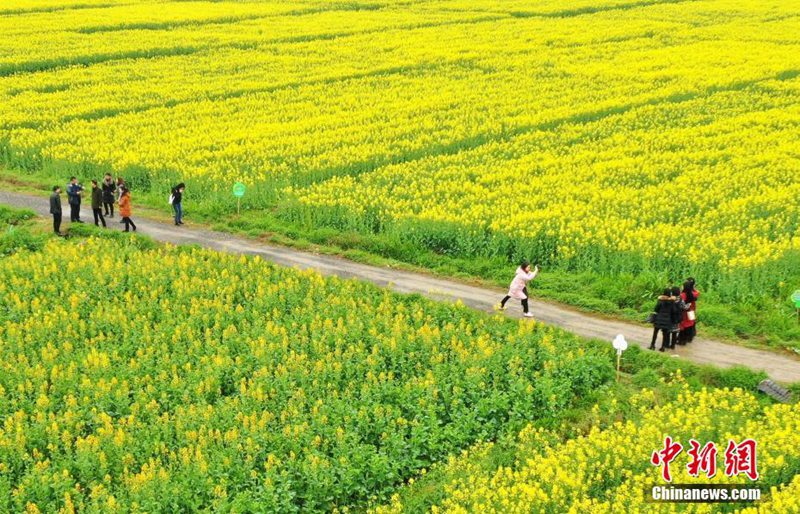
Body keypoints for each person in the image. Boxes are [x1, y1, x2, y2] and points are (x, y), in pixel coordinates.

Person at [679, 279, 700, 344]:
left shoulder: (682, 295)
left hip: (684, 312)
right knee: (691, 324)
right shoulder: (693, 294)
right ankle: (690, 337)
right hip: (691, 311)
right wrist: (693, 288)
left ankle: (682, 339)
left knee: (683, 325)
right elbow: (698, 292)